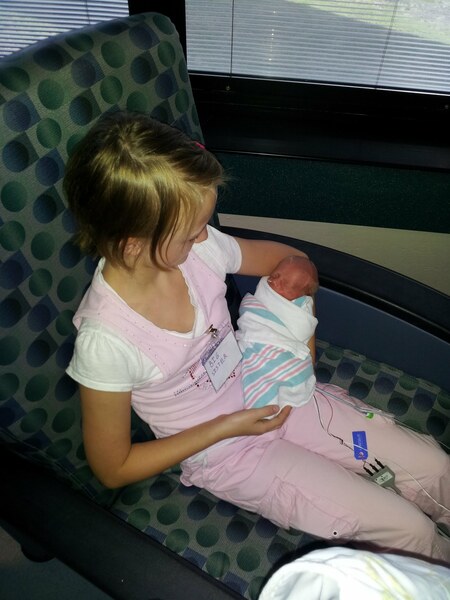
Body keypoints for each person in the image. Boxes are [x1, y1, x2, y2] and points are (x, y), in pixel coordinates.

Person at [64, 110, 450, 565]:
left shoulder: (200, 250)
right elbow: (114, 468)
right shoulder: (106, 341)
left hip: (274, 389)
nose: (204, 238)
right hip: (227, 452)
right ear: (133, 243)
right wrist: (229, 426)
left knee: (436, 467)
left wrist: (301, 339)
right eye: (189, 234)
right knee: (409, 530)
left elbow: (293, 262)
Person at [236, 255, 319, 411]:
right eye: (275, 274)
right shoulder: (266, 287)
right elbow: (250, 313)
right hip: (256, 339)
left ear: (300, 294)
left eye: (285, 284)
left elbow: (302, 330)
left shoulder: (300, 311)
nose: (274, 281)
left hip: (280, 348)